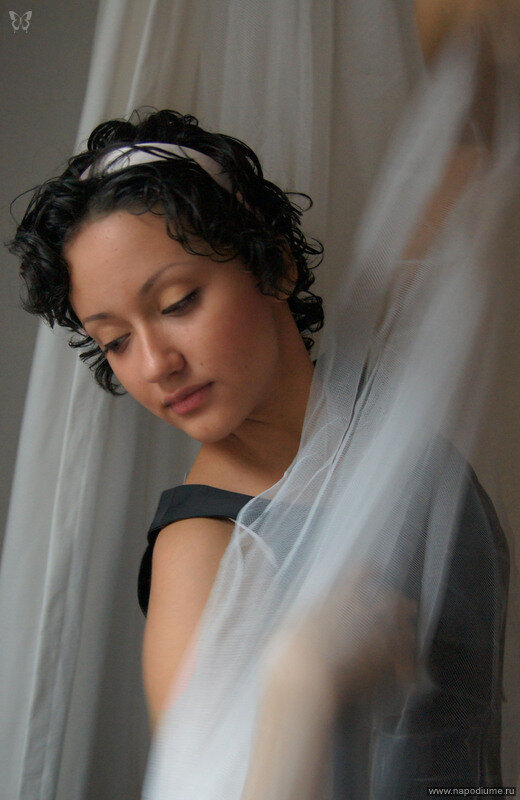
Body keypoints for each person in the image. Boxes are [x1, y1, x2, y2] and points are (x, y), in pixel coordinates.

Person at [7, 4, 518, 796]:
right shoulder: (202, 552)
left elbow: (467, 151)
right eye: (114, 341)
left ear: (273, 264)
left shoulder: (377, 395)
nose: (156, 365)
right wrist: (299, 682)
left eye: (177, 302)